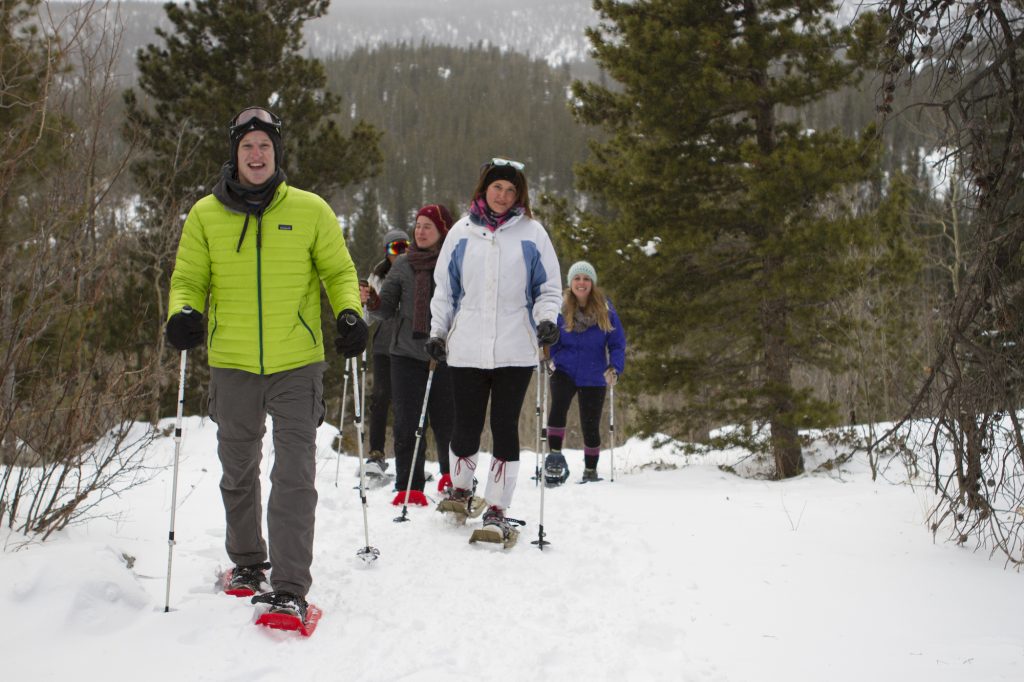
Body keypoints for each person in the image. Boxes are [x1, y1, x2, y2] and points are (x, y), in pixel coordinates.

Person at [164, 106, 367, 623]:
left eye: (265, 146)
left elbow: (339, 271)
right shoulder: (206, 215)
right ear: (235, 153)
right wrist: (184, 312)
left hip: (296, 363)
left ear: (277, 154)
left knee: (295, 473)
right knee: (238, 470)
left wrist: (349, 312)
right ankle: (249, 561)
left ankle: (290, 585)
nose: (257, 155)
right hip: (232, 362)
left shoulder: (310, 210)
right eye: (248, 146)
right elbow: (188, 280)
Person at [427, 158, 562, 544]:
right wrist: (438, 332)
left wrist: (546, 319)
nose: (503, 196)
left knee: (504, 425)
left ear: (519, 195)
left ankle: (499, 508)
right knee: (465, 424)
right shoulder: (460, 233)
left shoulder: (532, 234)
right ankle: (462, 488)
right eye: (496, 187)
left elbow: (548, 288)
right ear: (483, 189)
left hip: (515, 349)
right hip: (467, 345)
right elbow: (446, 291)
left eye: (510, 189)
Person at [369, 204, 455, 506]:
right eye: (417, 225)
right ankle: (409, 484)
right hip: (405, 354)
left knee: (447, 422)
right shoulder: (403, 265)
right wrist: (373, 300)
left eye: (427, 226)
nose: (420, 231)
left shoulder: (453, 262)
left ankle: (452, 477)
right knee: (407, 422)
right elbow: (385, 310)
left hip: (445, 355)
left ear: (442, 231)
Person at [544, 260, 626, 485]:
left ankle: (590, 470)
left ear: (592, 283)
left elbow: (617, 343)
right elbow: (552, 340)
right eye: (577, 278)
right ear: (570, 283)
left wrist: (614, 368)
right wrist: (550, 357)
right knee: (558, 406)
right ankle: (554, 459)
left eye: (586, 278)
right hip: (564, 369)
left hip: (594, 373)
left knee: (590, 423)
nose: (581, 283)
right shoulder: (560, 309)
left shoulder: (606, 310)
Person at [360, 228, 411, 481]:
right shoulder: (378, 276)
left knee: (407, 402)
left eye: (404, 247)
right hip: (384, 346)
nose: (400, 253)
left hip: (410, 346)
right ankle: (376, 452)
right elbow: (368, 317)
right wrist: (361, 305)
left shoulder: (416, 271)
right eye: (394, 248)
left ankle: (409, 455)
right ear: (386, 252)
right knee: (380, 397)